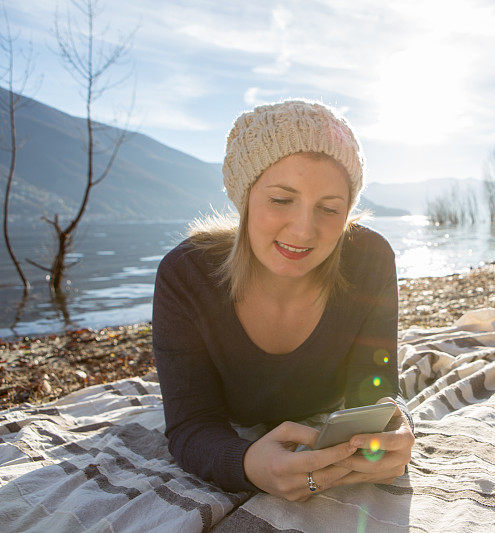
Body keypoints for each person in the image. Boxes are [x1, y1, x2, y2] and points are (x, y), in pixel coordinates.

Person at [151, 99, 415, 500]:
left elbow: (374, 391)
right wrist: (246, 463)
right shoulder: (186, 275)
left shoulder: (369, 261)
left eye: (329, 208)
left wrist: (396, 429)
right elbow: (192, 423)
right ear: (245, 197)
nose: (304, 230)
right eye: (280, 200)